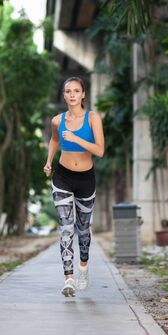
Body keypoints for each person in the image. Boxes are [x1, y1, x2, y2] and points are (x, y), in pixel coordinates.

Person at [43, 76, 105, 297]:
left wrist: (77, 139)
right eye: (68, 91)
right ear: (64, 94)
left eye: (76, 91)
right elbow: (55, 140)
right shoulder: (57, 121)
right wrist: (49, 160)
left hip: (86, 178)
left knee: (83, 229)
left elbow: (99, 151)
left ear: (83, 94)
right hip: (63, 176)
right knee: (66, 227)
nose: (72, 94)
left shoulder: (93, 118)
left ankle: (83, 267)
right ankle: (68, 279)